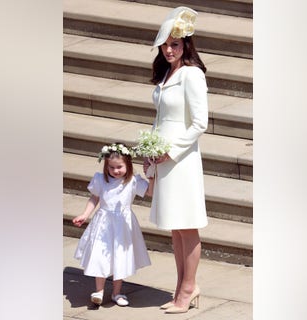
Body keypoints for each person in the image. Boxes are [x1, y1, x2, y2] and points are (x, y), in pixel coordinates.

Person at [144, 6, 208, 314]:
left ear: (185, 45)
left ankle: (189, 287)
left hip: (181, 160)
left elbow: (199, 123)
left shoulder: (191, 75)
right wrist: (151, 154)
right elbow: (161, 119)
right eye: (165, 45)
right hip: (163, 160)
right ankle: (182, 285)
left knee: (187, 225)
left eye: (175, 44)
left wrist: (171, 150)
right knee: (175, 227)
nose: (169, 50)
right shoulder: (167, 74)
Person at [72, 143, 154, 307]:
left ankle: (117, 292)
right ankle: (99, 291)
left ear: (128, 165)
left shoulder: (132, 181)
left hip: (123, 225)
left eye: (119, 167)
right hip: (103, 223)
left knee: (120, 256)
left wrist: (151, 175)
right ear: (106, 166)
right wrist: (85, 214)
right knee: (100, 255)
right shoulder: (101, 180)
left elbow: (150, 192)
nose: (115, 171)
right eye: (112, 167)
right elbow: (94, 198)